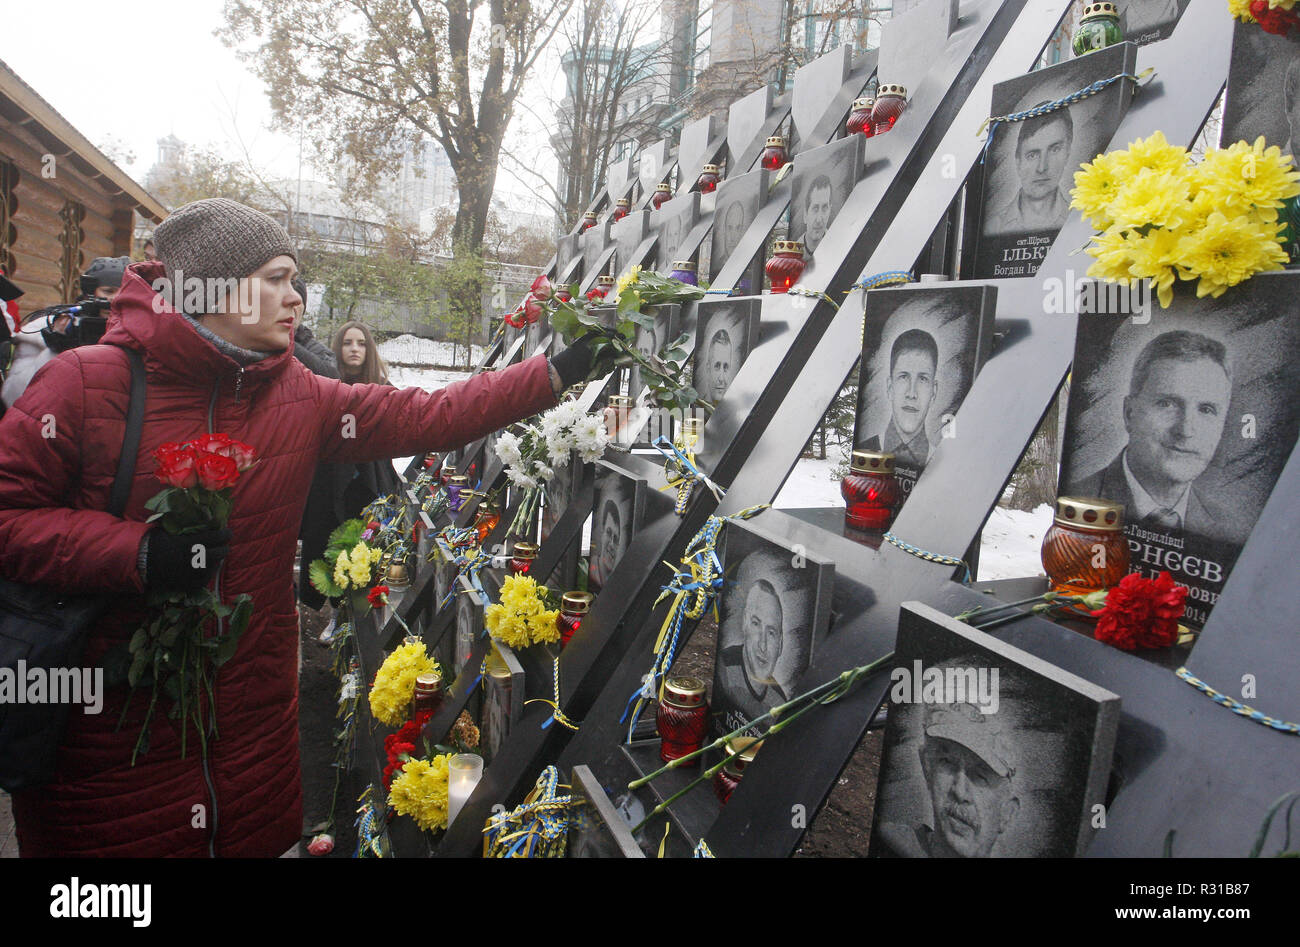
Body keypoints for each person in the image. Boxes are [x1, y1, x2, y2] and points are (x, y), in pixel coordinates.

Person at [0, 197, 597, 857]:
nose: (297, 299)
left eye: (296, 281)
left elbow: (430, 414)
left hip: (254, 748)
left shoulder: (299, 393)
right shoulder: (85, 386)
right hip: (112, 757)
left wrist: (555, 373)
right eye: (277, 279)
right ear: (213, 287)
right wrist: (139, 553)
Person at [1074, 329, 1243, 541]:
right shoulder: (1077, 501)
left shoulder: (1230, 530)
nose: (1185, 431)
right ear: (1129, 413)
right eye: (1167, 404)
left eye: (1206, 409)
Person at [878, 700, 1020, 858]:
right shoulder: (887, 842)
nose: (959, 792)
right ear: (927, 768)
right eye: (947, 763)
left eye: (980, 777)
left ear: (1008, 813)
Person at [1, 256, 131, 411]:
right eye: (108, 291)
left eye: (122, 292)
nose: (114, 299)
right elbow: (16, 396)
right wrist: (57, 346)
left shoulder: (136, 331)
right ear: (89, 291)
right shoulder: (47, 327)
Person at [714, 547, 814, 720]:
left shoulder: (779, 703)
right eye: (756, 624)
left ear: (781, 644)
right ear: (744, 623)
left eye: (772, 632)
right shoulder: (725, 670)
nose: (763, 645)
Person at [987, 108, 1073, 234]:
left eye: (1054, 150)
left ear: (1067, 153)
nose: (1042, 168)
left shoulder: (1083, 222)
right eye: (1032, 155)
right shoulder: (992, 227)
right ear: (1018, 161)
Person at [866, 328, 939, 469]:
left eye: (923, 379)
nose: (912, 393)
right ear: (890, 387)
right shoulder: (865, 452)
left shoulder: (943, 464)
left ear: (933, 391)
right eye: (904, 377)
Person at [701, 326, 738, 404]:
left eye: (726, 367)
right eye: (717, 366)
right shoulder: (697, 409)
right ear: (708, 369)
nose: (721, 378)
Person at [800, 173, 834, 255]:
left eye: (825, 208)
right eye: (815, 209)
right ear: (805, 214)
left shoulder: (837, 248)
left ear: (830, 210)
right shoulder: (794, 255)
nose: (819, 220)